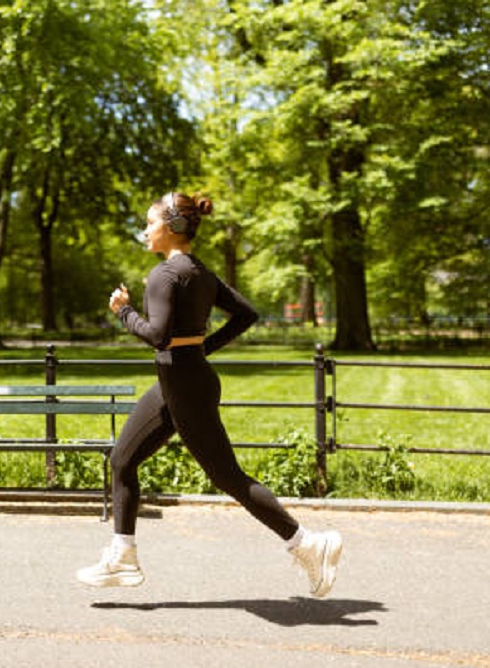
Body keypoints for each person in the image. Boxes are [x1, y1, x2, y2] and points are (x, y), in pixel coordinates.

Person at [76, 192, 343, 597]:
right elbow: (246, 315)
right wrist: (200, 349)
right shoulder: (198, 272)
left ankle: (307, 544)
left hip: (185, 385)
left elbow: (157, 335)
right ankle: (123, 556)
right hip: (180, 380)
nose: (145, 231)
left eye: (150, 224)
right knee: (122, 459)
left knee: (226, 476)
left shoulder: (164, 275)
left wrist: (124, 312)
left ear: (172, 227)